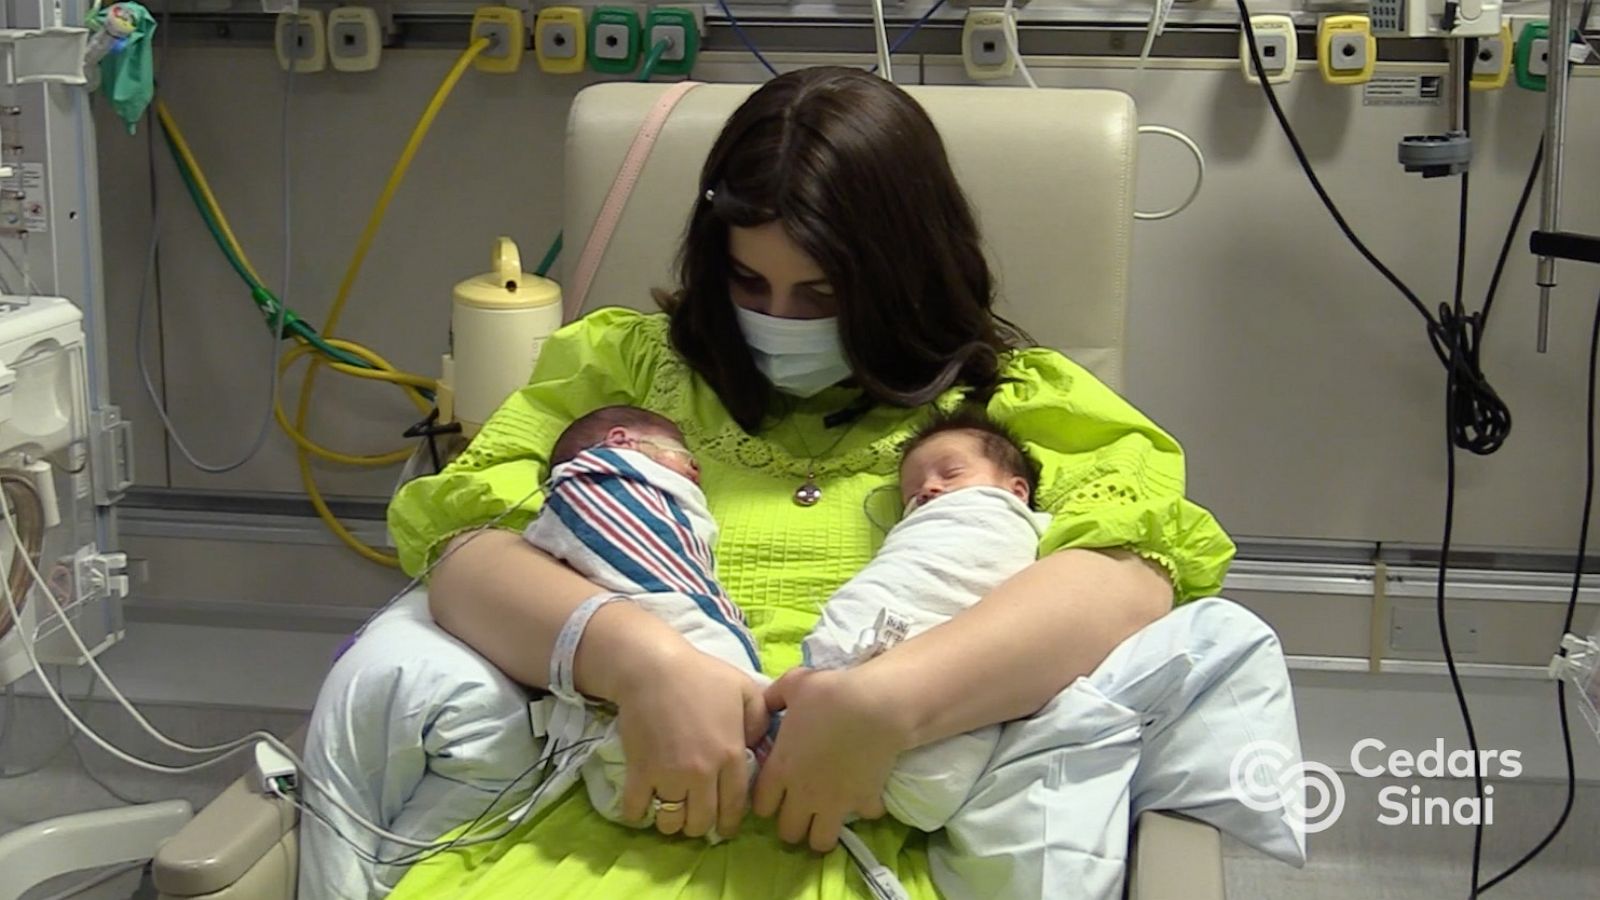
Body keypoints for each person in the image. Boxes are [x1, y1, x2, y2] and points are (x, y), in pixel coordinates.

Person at [299, 66, 1286, 900]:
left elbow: (1129, 576)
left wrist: (890, 704)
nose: (780, 318)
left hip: (883, 837)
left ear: (906, 271)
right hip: (593, 814)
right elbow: (463, 557)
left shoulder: (1015, 407)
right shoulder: (618, 374)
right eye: (747, 284)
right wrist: (636, 660)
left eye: (822, 294)